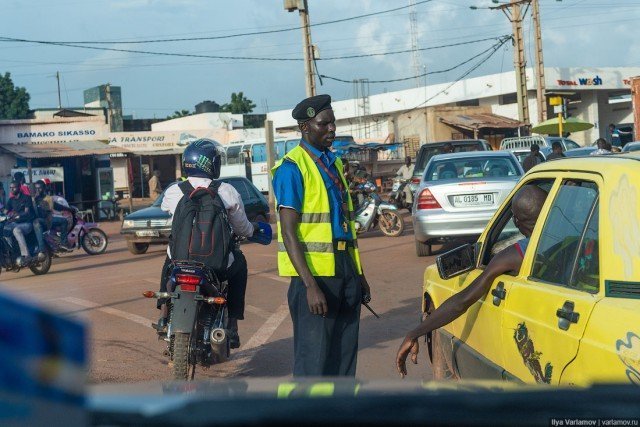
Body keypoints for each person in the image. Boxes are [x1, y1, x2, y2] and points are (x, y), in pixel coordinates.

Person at [396, 185, 548, 377]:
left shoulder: (513, 256)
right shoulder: (577, 242)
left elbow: (462, 301)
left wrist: (414, 333)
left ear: (516, 222)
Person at [272, 94, 371, 377]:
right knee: (314, 364)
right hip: (315, 277)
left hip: (344, 269)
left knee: (344, 360)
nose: (331, 129)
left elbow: (345, 226)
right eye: (323, 124)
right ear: (305, 127)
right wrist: (309, 286)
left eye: (333, 123)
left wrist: (358, 274)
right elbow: (288, 232)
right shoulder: (292, 168)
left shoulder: (334, 163)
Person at [156, 139, 257, 348]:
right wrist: (252, 231)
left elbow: (168, 213)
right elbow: (242, 228)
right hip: (215, 264)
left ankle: (164, 315)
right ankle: (232, 324)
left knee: (168, 266)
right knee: (240, 265)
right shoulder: (226, 191)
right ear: (211, 163)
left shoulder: (174, 191)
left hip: (180, 259)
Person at [3, 180, 36, 266]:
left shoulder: (26, 198)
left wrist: (18, 216)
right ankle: (11, 251)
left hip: (27, 224)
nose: (11, 189)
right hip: (15, 223)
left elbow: (27, 212)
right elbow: (5, 211)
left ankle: (26, 255)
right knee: (4, 229)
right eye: (10, 188)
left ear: (19, 187)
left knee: (16, 230)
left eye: (13, 187)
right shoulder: (11, 200)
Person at [31, 180, 51, 261]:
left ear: (44, 188)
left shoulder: (47, 198)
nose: (38, 190)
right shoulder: (33, 199)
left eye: (39, 188)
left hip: (46, 220)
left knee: (36, 222)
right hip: (35, 220)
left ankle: (42, 249)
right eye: (36, 189)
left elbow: (45, 212)